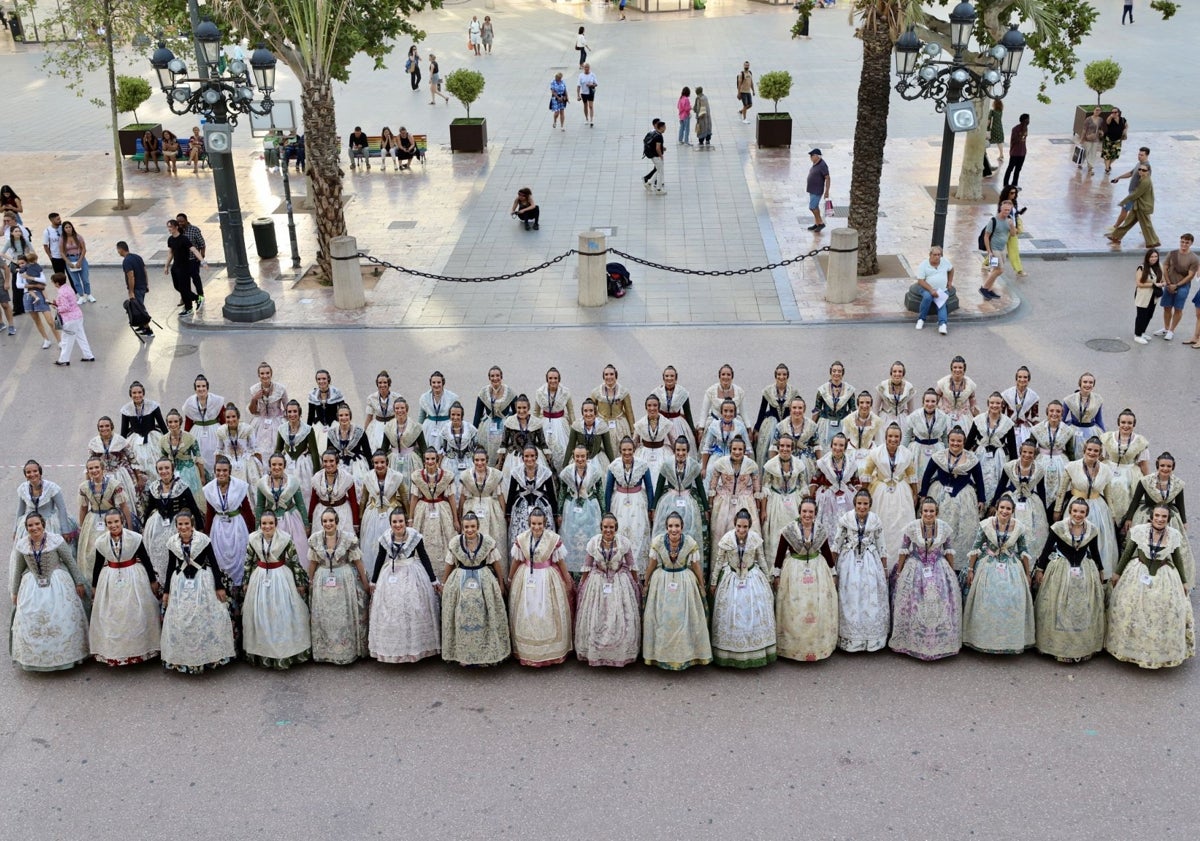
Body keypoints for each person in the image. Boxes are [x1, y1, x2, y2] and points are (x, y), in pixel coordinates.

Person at [1107, 505, 1194, 669]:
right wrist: (1117, 573)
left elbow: (1177, 559)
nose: (1160, 519)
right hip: (1138, 572)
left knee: (1162, 611)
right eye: (1157, 516)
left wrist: (1183, 581)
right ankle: (1132, 649)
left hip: (1164, 576)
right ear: (1151, 516)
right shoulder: (1139, 531)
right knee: (1132, 609)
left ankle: (1158, 652)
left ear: (1168, 519)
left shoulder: (1173, 535)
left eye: (1164, 517)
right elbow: (1128, 552)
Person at [9, 512, 90, 672]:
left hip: (57, 583)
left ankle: (67, 658)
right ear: (26, 528)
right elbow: (18, 570)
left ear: (43, 524)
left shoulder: (55, 540)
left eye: (37, 524)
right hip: (32, 586)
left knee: (62, 617)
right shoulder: (23, 545)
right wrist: (15, 592)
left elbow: (69, 561)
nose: (34, 528)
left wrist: (79, 582)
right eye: (30, 525)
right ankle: (35, 659)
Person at [160, 511, 236, 674]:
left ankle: (210, 657)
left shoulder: (203, 540)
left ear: (192, 524)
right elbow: (170, 567)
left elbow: (214, 563)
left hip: (202, 581)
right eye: (180, 524)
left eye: (186, 524)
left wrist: (219, 586)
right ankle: (184, 659)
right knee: (181, 618)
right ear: (176, 526)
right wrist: (166, 591)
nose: (183, 527)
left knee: (206, 617)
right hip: (180, 582)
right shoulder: (172, 543)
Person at [889, 498, 962, 660]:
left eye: (932, 511)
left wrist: (951, 570)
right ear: (920, 512)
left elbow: (948, 549)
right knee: (913, 603)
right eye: (925, 511)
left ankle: (941, 643)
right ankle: (911, 642)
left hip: (938, 566)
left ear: (936, 513)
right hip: (916, 566)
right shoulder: (912, 528)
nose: (928, 514)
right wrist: (900, 572)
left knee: (942, 602)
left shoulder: (943, 528)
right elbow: (903, 549)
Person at [961, 494, 1035, 654]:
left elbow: (1023, 551)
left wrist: (1028, 574)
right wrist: (971, 570)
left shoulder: (1019, 527)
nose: (1005, 511)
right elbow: (976, 547)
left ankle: (1009, 641)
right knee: (987, 601)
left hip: (1011, 567)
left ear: (1013, 511)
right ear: (997, 508)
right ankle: (984, 640)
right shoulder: (986, 525)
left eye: (1008, 508)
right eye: (1002, 507)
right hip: (988, 566)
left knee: (1012, 599)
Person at [1034, 499, 1105, 663]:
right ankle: (1057, 646)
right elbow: (1046, 549)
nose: (1078, 515)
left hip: (1084, 570)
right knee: (1058, 605)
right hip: (1061, 569)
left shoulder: (1092, 530)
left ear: (1086, 514)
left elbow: (1094, 551)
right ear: (1069, 512)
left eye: (1082, 512)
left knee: (1082, 606)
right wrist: (1040, 569)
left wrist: (1100, 569)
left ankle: (1082, 647)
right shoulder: (1058, 528)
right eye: (1075, 511)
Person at [368, 508, 441, 664]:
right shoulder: (385, 538)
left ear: (405, 522)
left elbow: (424, 557)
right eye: (394, 522)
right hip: (391, 575)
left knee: (413, 608)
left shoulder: (414, 536)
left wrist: (433, 579)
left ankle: (416, 649)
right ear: (390, 523)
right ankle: (394, 651)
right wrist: (373, 581)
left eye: (400, 521)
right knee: (392, 611)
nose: (398, 524)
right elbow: (380, 559)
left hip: (412, 574)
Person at [89, 511, 162, 666]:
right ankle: (115, 653)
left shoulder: (135, 538)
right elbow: (97, 564)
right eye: (109, 523)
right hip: (110, 577)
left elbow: (146, 559)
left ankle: (142, 650)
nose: (113, 525)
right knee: (113, 615)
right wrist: (94, 586)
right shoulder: (101, 542)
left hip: (134, 576)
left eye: (116, 521)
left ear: (122, 521)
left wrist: (152, 580)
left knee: (136, 612)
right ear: (106, 524)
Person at [242, 511, 311, 669]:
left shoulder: (285, 539)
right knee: (260, 614)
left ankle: (284, 652)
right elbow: (248, 560)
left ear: (276, 524)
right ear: (260, 525)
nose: (267, 526)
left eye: (271, 523)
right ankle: (263, 653)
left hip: (280, 577)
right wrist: (246, 581)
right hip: (259, 577)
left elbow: (294, 560)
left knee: (281, 613)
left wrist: (300, 582)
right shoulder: (253, 538)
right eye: (264, 524)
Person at [642, 512, 711, 670]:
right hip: (662, 582)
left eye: (677, 526)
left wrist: (701, 585)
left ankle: (687, 655)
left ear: (682, 527)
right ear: (666, 527)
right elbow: (652, 564)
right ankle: (660, 655)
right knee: (662, 619)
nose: (674, 529)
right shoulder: (658, 542)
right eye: (671, 526)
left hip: (684, 582)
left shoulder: (690, 543)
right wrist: (646, 582)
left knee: (684, 620)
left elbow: (695, 566)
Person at [440, 512, 510, 666]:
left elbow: (496, 562)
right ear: (462, 528)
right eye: (466, 527)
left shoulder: (487, 543)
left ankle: (486, 654)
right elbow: (449, 563)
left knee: (486, 614)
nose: (469, 530)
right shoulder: (455, 543)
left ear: (478, 527)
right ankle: (462, 654)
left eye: (472, 526)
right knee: (460, 615)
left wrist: (500, 582)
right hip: (460, 579)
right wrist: (444, 584)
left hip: (483, 578)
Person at [709, 509, 776, 668]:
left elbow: (761, 559)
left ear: (749, 526)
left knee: (753, 612)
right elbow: (719, 561)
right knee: (730, 613)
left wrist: (767, 579)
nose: (741, 530)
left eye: (745, 527)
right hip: (731, 578)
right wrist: (713, 582)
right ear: (735, 524)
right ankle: (730, 653)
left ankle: (755, 649)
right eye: (739, 526)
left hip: (751, 578)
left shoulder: (754, 539)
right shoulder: (727, 539)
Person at [772, 499, 835, 661]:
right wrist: (776, 574)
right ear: (799, 513)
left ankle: (816, 646)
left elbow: (827, 552)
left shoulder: (820, 530)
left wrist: (833, 572)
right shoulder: (789, 531)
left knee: (816, 607)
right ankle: (794, 647)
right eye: (804, 511)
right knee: (795, 607)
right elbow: (780, 553)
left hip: (817, 571)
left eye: (811, 512)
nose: (807, 515)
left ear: (815, 514)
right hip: (794, 571)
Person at [575, 513, 641, 667]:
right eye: (605, 527)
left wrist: (636, 583)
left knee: (621, 615)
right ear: (601, 527)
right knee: (596, 615)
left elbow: (631, 564)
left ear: (616, 528)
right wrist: (582, 584)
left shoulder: (623, 543)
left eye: (611, 527)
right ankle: (596, 651)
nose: (608, 530)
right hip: (598, 581)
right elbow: (587, 565)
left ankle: (620, 652)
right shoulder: (593, 543)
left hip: (618, 580)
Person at [508, 508, 573, 666]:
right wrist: (510, 577)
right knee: (527, 611)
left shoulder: (553, 539)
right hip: (526, 577)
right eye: (533, 524)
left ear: (545, 524)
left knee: (547, 611)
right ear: (529, 523)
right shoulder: (522, 538)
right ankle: (527, 651)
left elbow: (560, 562)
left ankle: (550, 652)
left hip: (547, 577)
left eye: (539, 524)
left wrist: (567, 579)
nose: (536, 527)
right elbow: (517, 560)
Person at [918, 427, 987, 574]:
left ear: (964, 442)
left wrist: (981, 498)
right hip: (940, 494)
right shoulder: (939, 456)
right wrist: (923, 494)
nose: (956, 443)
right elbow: (927, 475)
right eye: (953, 440)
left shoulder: (972, 459)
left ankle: (959, 564)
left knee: (962, 529)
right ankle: (936, 558)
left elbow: (979, 479)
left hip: (964, 497)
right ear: (948, 441)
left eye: (959, 441)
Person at [306, 508, 369, 664]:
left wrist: (365, 583)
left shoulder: (348, 539)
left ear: (337, 522)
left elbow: (358, 562)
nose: (328, 524)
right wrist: (311, 580)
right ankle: (326, 652)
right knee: (325, 616)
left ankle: (346, 650)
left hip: (344, 579)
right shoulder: (315, 539)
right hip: (322, 579)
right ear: (321, 523)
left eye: (331, 521)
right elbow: (313, 562)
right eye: (325, 521)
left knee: (343, 616)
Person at [830, 490, 890, 652]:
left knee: (870, 596)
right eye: (859, 504)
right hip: (849, 561)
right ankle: (850, 639)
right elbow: (836, 544)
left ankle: (872, 639)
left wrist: (884, 568)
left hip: (870, 561)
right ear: (854, 504)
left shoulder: (875, 520)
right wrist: (832, 568)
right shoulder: (846, 520)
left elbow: (881, 546)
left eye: (865, 504)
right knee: (850, 596)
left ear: (870, 505)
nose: (862, 507)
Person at [1123, 452, 1192, 589]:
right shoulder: (1146, 481)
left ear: (1173, 467)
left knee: (1174, 548)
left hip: (1169, 518)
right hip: (1147, 516)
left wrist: (1183, 521)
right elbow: (1135, 500)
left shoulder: (1177, 484)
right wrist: (1129, 518)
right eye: (1162, 466)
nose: (1165, 469)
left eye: (1168, 466)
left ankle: (1171, 578)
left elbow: (1180, 503)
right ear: (1157, 466)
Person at [861, 423, 917, 579]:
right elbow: (866, 474)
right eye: (890, 436)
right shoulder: (875, 453)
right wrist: (863, 494)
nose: (893, 439)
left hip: (901, 493)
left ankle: (901, 566)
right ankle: (880, 565)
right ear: (885, 438)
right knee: (883, 525)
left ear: (900, 439)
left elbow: (912, 475)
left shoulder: (907, 454)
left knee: (901, 527)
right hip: (880, 492)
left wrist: (915, 493)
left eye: (896, 436)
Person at [142, 458, 204, 581]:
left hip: (177, 525)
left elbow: (194, 508)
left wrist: (201, 529)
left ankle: (177, 581)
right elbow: (149, 507)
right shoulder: (154, 487)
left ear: (172, 469)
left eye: (166, 468)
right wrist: (144, 526)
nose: (164, 471)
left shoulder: (182, 486)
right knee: (157, 553)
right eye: (160, 469)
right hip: (157, 525)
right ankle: (162, 583)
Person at [204, 455, 256, 593]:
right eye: (218, 470)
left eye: (225, 470)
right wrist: (206, 533)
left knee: (239, 554)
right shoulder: (209, 489)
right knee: (219, 556)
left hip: (236, 526)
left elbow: (246, 508)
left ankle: (239, 592)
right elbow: (209, 512)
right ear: (215, 471)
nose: (221, 473)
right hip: (218, 527)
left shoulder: (239, 486)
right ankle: (224, 589)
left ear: (230, 471)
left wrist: (253, 530)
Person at [992, 440, 1050, 561]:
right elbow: (1001, 485)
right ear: (1020, 452)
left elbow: (1041, 489)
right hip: (1012, 500)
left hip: (1031, 501)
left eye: (1030, 453)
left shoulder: (1039, 469)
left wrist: (1044, 510)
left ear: (1034, 454)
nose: (1027, 455)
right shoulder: (1010, 466)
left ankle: (1031, 561)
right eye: (1024, 452)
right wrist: (994, 503)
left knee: (1032, 533)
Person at [77, 458, 132, 583]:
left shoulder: (114, 484)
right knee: (90, 552)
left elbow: (123, 506)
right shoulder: (84, 487)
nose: (94, 470)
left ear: (103, 469)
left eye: (96, 467)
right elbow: (83, 509)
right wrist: (81, 528)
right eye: (91, 468)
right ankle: (93, 583)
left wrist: (129, 527)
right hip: (92, 521)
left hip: (112, 519)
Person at [459, 448, 509, 576]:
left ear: (487, 460)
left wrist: (504, 515)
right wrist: (459, 515)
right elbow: (463, 497)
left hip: (492, 509)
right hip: (472, 508)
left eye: (482, 460)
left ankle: (497, 577)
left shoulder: (495, 475)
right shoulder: (466, 476)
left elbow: (500, 495)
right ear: (473, 461)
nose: (479, 463)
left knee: (494, 540)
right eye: (476, 460)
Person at [409, 448, 458, 578]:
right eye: (427, 459)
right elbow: (414, 497)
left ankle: (443, 575)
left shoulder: (446, 476)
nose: (430, 462)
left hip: (442, 510)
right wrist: (410, 518)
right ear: (424, 461)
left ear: (437, 460)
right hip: (423, 510)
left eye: (432, 459)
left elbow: (452, 498)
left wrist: (455, 519)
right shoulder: (417, 476)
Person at [559, 444, 604, 577]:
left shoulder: (595, 471)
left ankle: (590, 570)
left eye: (582, 456)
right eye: (577, 456)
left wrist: (604, 511)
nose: (580, 459)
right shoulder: (566, 472)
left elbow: (600, 492)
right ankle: (573, 574)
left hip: (590, 507)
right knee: (571, 539)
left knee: (589, 538)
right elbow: (562, 493)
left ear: (587, 456)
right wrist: (559, 512)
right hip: (571, 508)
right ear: (573, 456)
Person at [965, 392, 1018, 504]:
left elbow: (1013, 448)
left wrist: (1014, 470)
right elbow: (968, 442)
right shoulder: (978, 420)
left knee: (998, 482)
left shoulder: (1008, 423)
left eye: (997, 403)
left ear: (1002, 405)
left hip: (999, 458)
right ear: (988, 403)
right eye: (992, 403)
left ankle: (994, 505)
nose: (994, 405)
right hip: (980, 456)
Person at [256, 453, 312, 555]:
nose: (277, 467)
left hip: (291, 519)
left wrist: (306, 524)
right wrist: (257, 526)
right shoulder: (262, 484)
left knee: (296, 550)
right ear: (270, 466)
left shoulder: (293, 482)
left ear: (284, 466)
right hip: (270, 521)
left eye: (280, 465)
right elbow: (260, 506)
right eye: (274, 464)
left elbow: (301, 504)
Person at [13, 460, 77, 542]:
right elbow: (20, 511)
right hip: (30, 524)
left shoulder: (51, 487)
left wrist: (65, 530)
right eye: (28, 472)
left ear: (40, 472)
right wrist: (15, 530)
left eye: (35, 471)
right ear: (25, 475)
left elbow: (62, 509)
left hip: (50, 525)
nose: (32, 474)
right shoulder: (23, 489)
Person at [1107, 164, 1158, 249]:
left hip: (1142, 206)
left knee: (1146, 225)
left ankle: (1153, 241)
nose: (1141, 171)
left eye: (1143, 170)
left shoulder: (1145, 181)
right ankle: (1116, 236)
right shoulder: (1143, 178)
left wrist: (1123, 202)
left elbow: (1136, 193)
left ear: (1148, 172)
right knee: (1128, 222)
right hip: (1138, 205)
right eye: (1140, 169)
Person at [48, 271, 94, 366]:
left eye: (53, 282)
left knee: (66, 340)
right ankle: (88, 355)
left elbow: (65, 307)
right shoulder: (68, 288)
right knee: (81, 336)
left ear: (57, 283)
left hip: (69, 319)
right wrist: (57, 302)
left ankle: (64, 359)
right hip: (77, 316)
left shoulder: (61, 292)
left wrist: (56, 307)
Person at [1158, 233, 1198, 341]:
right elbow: (1165, 267)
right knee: (1166, 307)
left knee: (1178, 309)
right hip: (1169, 283)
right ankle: (1166, 328)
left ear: (1191, 243)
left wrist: (1177, 285)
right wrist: (1168, 282)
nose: (1184, 244)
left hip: (1183, 286)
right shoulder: (1172, 253)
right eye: (1182, 242)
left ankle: (1171, 330)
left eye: (1187, 242)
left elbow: (1190, 276)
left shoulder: (1194, 258)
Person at [534, 367, 575, 469]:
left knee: (562, 450)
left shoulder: (565, 392)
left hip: (561, 424)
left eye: (555, 378)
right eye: (550, 378)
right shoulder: (540, 392)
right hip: (544, 423)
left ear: (559, 379)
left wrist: (575, 428)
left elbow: (571, 412)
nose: (553, 381)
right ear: (547, 379)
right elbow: (536, 412)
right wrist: (532, 429)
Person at [812, 360, 855, 449]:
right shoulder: (822, 390)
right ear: (830, 372)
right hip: (825, 424)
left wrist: (855, 430)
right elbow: (817, 409)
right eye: (834, 371)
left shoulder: (849, 390)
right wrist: (811, 428)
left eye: (839, 371)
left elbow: (853, 410)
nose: (836, 373)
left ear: (843, 373)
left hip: (843, 424)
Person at [20, 252, 59, 349]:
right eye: (19, 263)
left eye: (23, 263)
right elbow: (18, 285)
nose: (21, 265)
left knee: (50, 320)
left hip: (39, 293)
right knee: (37, 320)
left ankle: (60, 340)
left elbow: (43, 280)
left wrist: (29, 278)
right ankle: (46, 339)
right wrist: (34, 285)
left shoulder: (35, 268)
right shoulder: (20, 272)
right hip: (27, 296)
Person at [914, 246, 954, 334]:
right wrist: (931, 290)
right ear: (930, 255)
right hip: (926, 289)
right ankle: (921, 319)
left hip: (941, 289)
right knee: (928, 297)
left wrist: (950, 281)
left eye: (939, 255)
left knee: (942, 303)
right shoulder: (923, 265)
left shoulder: (944, 261)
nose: (937, 257)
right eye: (935, 255)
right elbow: (920, 281)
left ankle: (942, 324)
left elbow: (951, 270)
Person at [1001, 365, 1039, 447]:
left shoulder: (1033, 396)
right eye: (1020, 377)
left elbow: (1035, 417)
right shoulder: (1007, 394)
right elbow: (1001, 414)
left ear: (1028, 379)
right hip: (1008, 426)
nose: (1022, 379)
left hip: (1024, 428)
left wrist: (1038, 433)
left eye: (1025, 377)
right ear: (1016, 378)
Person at [175, 213, 206, 305]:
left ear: (186, 220)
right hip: (182, 261)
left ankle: (200, 296)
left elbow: (202, 244)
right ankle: (185, 297)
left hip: (192, 260)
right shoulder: (177, 231)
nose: (180, 224)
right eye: (178, 222)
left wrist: (202, 255)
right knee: (183, 281)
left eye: (182, 221)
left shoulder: (194, 230)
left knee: (195, 279)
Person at [997, 185, 1028, 278]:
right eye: (1012, 193)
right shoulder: (1003, 204)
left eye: (1015, 192)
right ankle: (988, 264)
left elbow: (1014, 215)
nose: (1014, 194)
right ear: (1007, 193)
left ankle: (1019, 270)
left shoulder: (1014, 202)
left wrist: (1019, 213)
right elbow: (1004, 216)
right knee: (996, 250)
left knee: (1014, 250)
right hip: (1004, 230)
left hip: (1012, 229)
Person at [60, 221, 92, 302]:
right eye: (66, 227)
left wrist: (80, 260)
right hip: (70, 259)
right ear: (64, 229)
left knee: (85, 279)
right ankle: (81, 295)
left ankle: (88, 294)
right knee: (75, 280)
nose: (68, 229)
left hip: (80, 257)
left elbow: (84, 249)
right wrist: (68, 262)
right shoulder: (62, 239)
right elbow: (62, 252)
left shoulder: (78, 237)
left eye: (69, 227)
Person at [117, 241, 149, 309]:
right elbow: (145, 271)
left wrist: (131, 291)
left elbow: (131, 277)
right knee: (140, 306)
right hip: (143, 286)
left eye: (118, 249)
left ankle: (145, 319)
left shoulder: (126, 261)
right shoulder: (138, 257)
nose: (118, 252)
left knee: (139, 309)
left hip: (136, 289)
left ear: (121, 249)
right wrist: (146, 284)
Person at [806, 149, 831, 231]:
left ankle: (821, 223)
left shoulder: (822, 165)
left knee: (812, 207)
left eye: (812, 156)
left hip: (817, 190)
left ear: (817, 156)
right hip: (812, 189)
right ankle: (817, 224)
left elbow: (827, 178)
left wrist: (827, 191)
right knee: (815, 206)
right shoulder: (816, 163)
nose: (810, 157)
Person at [1003, 113, 1029, 187]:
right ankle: (1005, 184)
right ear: (1024, 120)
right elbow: (1014, 140)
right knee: (1010, 168)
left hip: (1022, 153)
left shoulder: (1026, 128)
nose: (1028, 121)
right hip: (1015, 153)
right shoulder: (1015, 129)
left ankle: (1014, 184)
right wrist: (1021, 135)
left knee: (1018, 170)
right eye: (1027, 119)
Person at [642, 118, 666, 194]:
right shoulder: (659, 136)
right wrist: (661, 155)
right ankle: (658, 189)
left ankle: (649, 183)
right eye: (664, 127)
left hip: (653, 155)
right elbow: (657, 148)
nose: (665, 128)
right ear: (661, 127)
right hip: (656, 156)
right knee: (660, 172)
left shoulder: (655, 133)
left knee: (659, 170)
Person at [1103, 108, 1129, 173]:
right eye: (1112, 112)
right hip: (1108, 139)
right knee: (1107, 155)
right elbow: (1107, 122)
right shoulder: (1110, 119)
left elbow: (1126, 126)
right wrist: (1111, 116)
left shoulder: (1123, 119)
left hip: (1118, 140)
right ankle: (1107, 169)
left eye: (1115, 112)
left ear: (1118, 112)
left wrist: (1125, 131)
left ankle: (1108, 165)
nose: (1114, 113)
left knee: (1115, 155)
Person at [1080, 106, 1103, 175]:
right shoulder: (1088, 119)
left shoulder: (1100, 119)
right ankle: (1080, 163)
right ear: (1093, 110)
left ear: (1100, 112)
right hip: (1087, 139)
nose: (1097, 111)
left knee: (1093, 154)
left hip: (1095, 139)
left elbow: (1100, 128)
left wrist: (1101, 132)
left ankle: (1090, 168)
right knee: (1086, 152)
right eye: (1096, 110)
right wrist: (1082, 139)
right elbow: (1084, 129)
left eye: (1099, 110)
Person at [577, 63, 598, 127]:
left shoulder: (592, 75)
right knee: (585, 106)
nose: (586, 69)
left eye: (587, 67)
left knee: (591, 106)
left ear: (589, 68)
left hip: (590, 92)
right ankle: (586, 118)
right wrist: (578, 95)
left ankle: (591, 120)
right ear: (583, 68)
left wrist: (591, 85)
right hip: (583, 93)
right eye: (585, 67)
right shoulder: (581, 75)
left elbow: (596, 84)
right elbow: (578, 86)